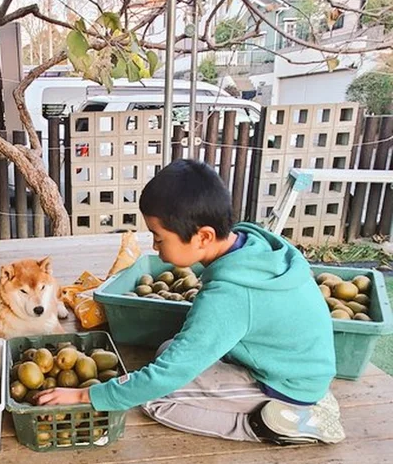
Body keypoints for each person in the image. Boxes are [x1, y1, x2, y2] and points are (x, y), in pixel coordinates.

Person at [37, 159, 344, 445]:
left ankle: (277, 424)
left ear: (204, 237)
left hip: (287, 385)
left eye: (159, 238)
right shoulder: (252, 245)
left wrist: (84, 397)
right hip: (290, 363)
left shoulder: (230, 297)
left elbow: (165, 377)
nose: (156, 249)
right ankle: (292, 405)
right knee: (168, 350)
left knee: (155, 400)